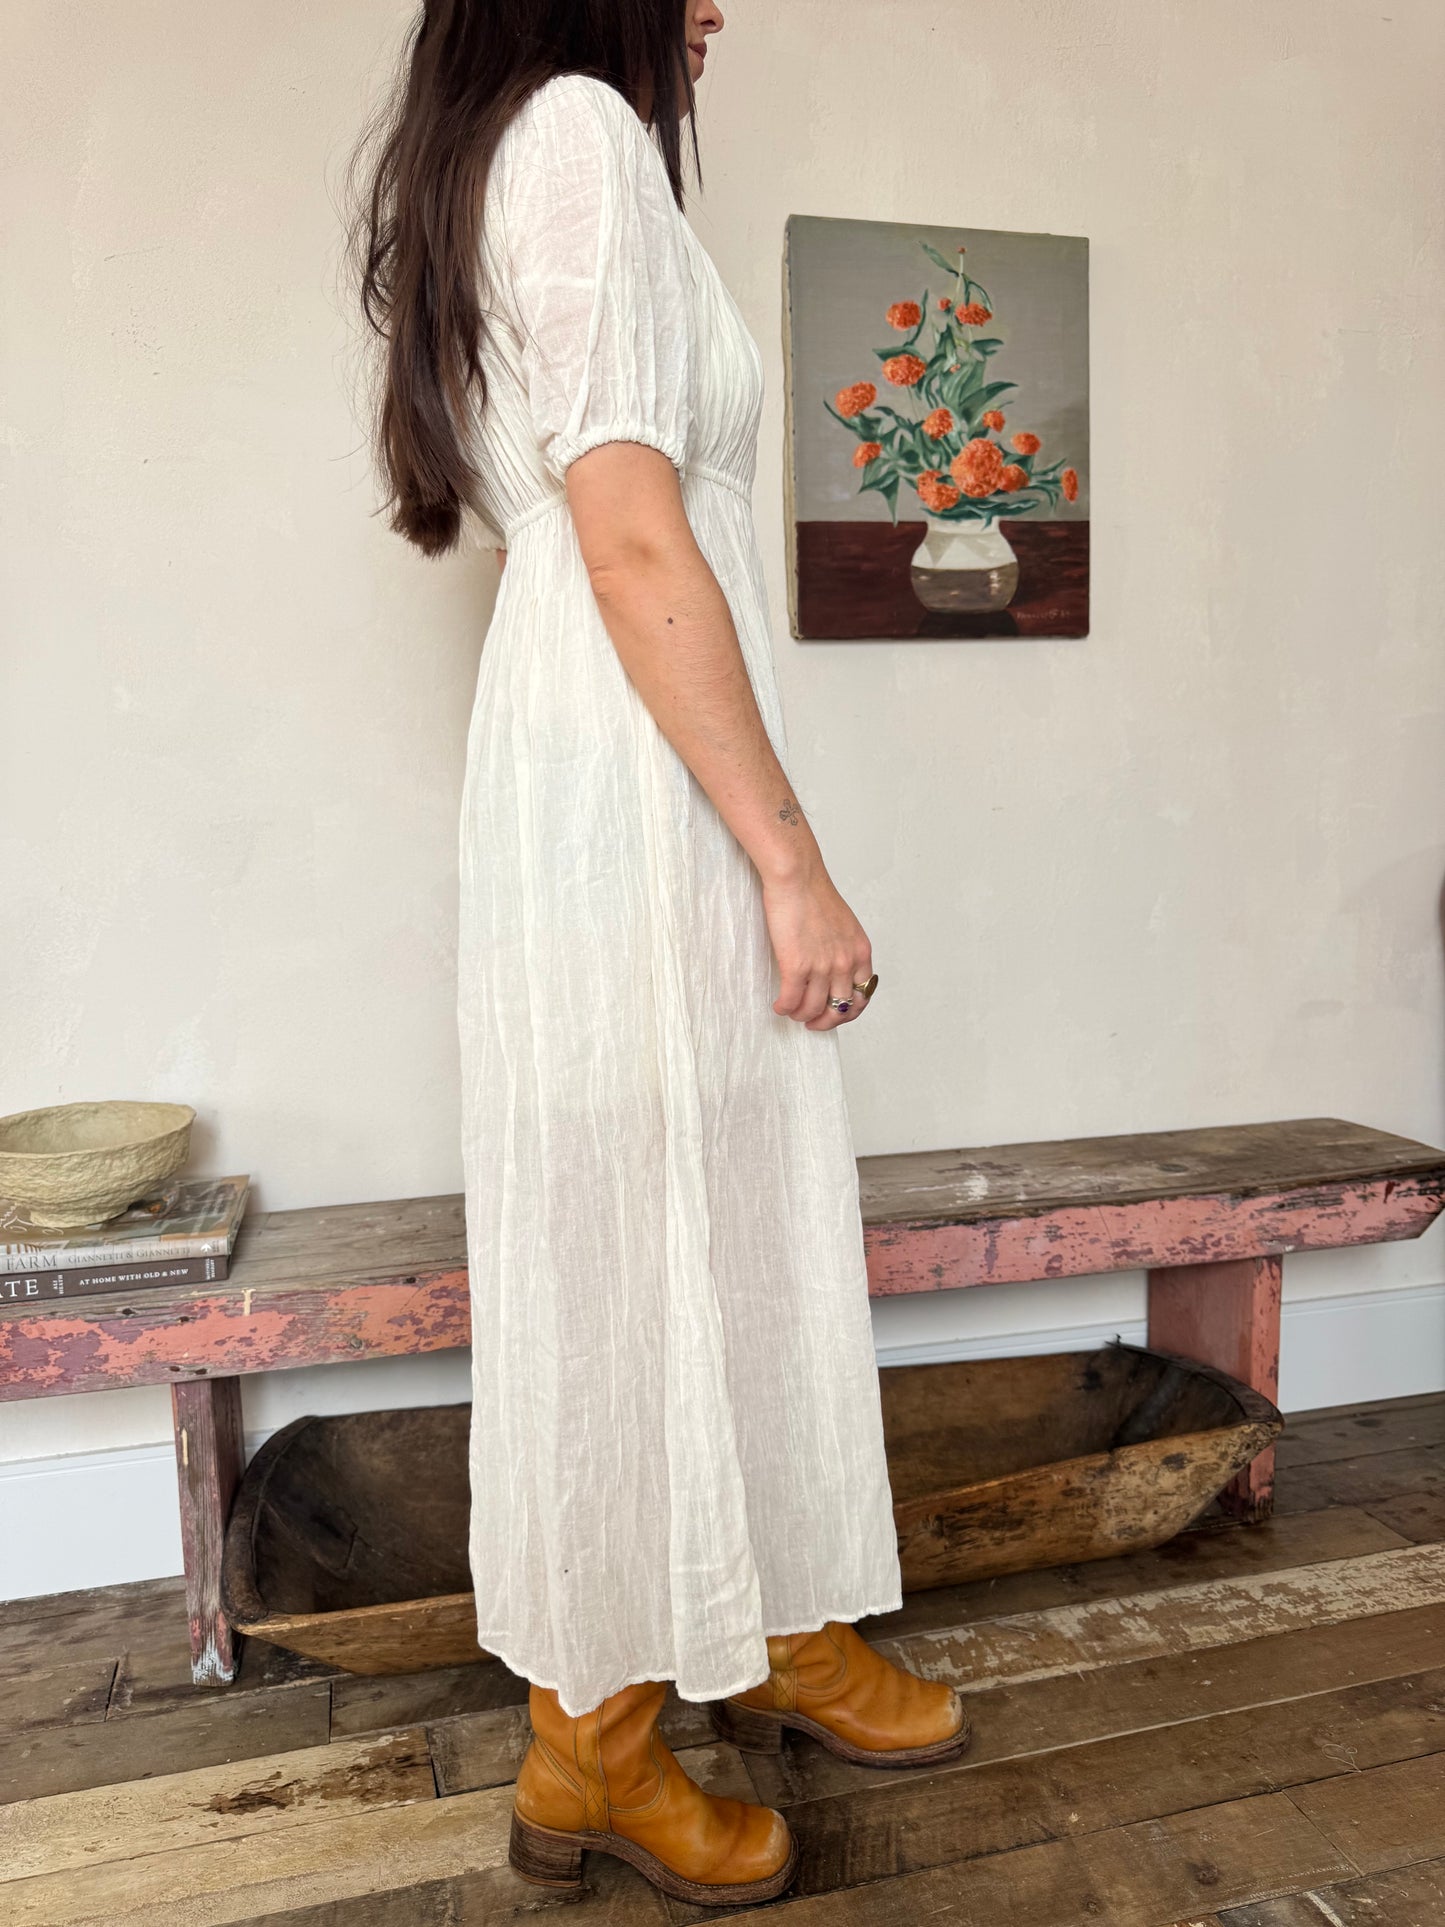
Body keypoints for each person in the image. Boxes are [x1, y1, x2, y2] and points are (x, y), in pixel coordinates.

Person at [352, 0, 970, 1903]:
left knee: (716, 1190)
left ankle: (766, 1617)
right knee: (630, 1224)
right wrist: (791, 861)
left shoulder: (502, 155)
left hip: (595, 758)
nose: (716, 8)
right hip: (633, 783)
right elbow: (627, 542)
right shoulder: (577, 136)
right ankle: (592, 1744)